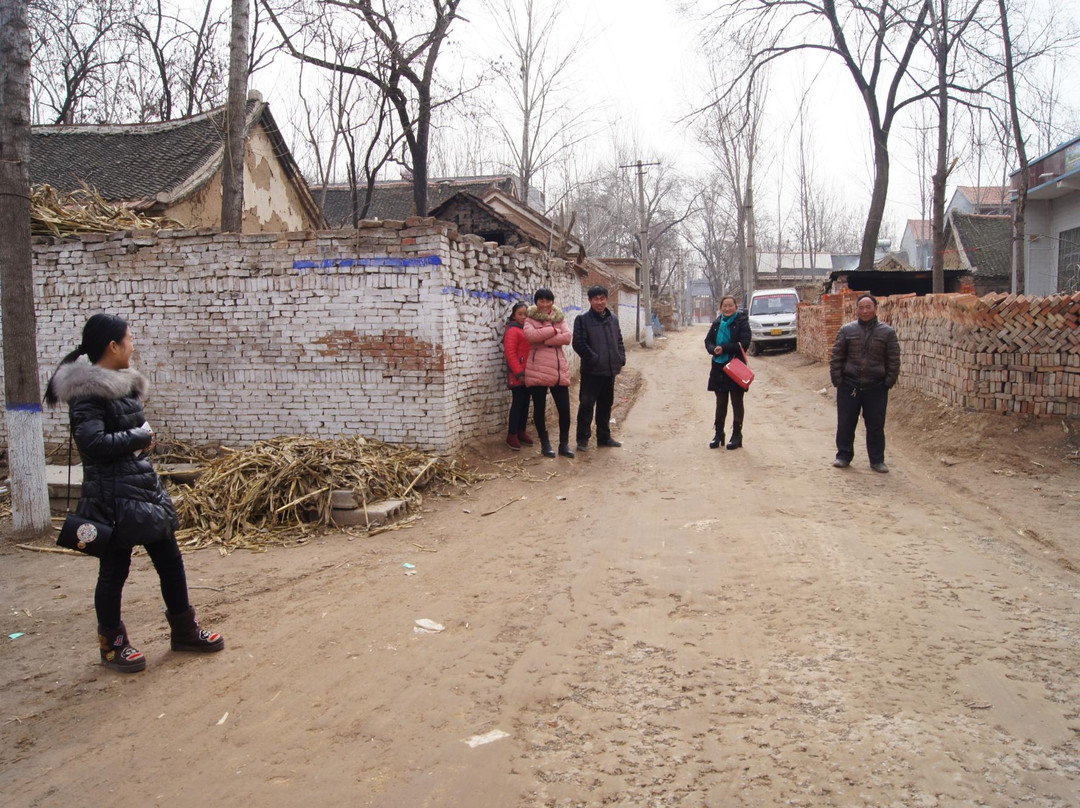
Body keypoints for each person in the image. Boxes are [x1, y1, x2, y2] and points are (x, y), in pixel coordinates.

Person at [44, 313, 224, 673]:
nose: (133, 345)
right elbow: (92, 442)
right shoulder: (87, 392)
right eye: (129, 339)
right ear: (113, 346)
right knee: (114, 572)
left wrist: (142, 442)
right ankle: (112, 646)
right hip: (112, 497)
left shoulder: (123, 384)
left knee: (171, 562)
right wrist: (140, 438)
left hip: (141, 487)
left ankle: (184, 632)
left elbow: (120, 436)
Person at [829, 294, 901, 473]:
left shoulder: (887, 333)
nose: (865, 311)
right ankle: (843, 456)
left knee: (875, 425)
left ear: (876, 308)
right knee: (846, 422)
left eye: (868, 307)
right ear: (857, 310)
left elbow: (893, 360)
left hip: (876, 386)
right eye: (861, 307)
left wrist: (887, 382)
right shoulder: (847, 331)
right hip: (850, 385)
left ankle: (877, 460)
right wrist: (838, 381)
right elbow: (837, 357)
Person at [572, 285, 626, 451]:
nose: (599, 302)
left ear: (606, 299)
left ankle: (604, 437)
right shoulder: (583, 320)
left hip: (609, 371)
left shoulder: (613, 319)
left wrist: (621, 358)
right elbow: (578, 344)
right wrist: (594, 359)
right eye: (595, 299)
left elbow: (619, 340)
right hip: (591, 371)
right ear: (590, 300)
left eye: (602, 298)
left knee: (605, 405)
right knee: (587, 405)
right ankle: (582, 440)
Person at [523, 288, 574, 458]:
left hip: (559, 371)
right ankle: (545, 444)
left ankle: (564, 444)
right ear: (536, 302)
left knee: (565, 410)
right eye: (541, 301)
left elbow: (567, 338)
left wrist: (543, 338)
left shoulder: (559, 317)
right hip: (538, 370)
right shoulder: (529, 319)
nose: (545, 304)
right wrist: (553, 331)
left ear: (552, 301)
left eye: (548, 301)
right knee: (539, 409)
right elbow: (530, 336)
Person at [704, 294, 752, 450]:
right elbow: (708, 341)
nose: (727, 308)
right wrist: (713, 349)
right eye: (725, 306)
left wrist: (724, 348)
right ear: (720, 308)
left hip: (735, 367)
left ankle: (737, 435)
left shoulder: (742, 323)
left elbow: (744, 344)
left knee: (736, 402)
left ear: (736, 307)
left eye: (731, 305)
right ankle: (719, 434)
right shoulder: (717, 323)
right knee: (720, 402)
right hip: (719, 367)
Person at [503, 301, 534, 451]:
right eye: (520, 314)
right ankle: (512, 434)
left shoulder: (527, 329)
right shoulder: (512, 331)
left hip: (529, 373)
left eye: (525, 314)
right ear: (514, 316)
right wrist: (519, 373)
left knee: (526, 403)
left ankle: (521, 430)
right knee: (518, 403)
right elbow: (510, 353)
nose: (523, 317)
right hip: (518, 374)